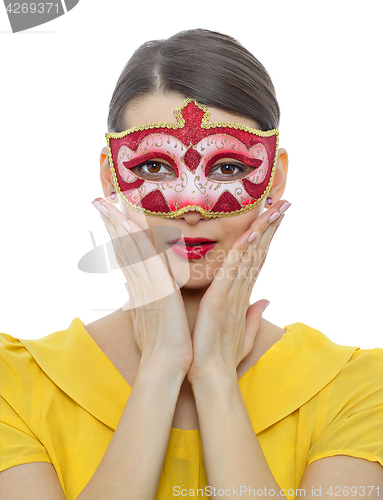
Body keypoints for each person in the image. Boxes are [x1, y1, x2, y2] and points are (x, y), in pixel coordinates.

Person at [0, 29, 382, 500]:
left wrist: (216, 377)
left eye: (227, 168)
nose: (191, 204)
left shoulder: (359, 388)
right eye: (155, 167)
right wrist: (160, 366)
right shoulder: (12, 383)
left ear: (275, 178)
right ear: (110, 175)